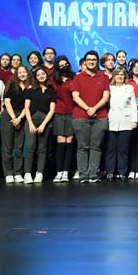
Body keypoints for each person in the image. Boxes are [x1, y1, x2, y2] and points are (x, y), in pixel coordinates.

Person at [71, 50, 110, 184]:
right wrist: (88, 108)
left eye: (94, 59)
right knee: (82, 146)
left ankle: (94, 174)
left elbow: (106, 96)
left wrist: (94, 108)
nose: (91, 62)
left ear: (97, 61)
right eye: (89, 59)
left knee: (96, 147)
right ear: (85, 62)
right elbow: (75, 96)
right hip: (81, 116)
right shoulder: (78, 78)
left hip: (100, 117)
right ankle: (83, 174)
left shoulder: (103, 77)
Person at [23, 65, 56, 184]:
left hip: (45, 121)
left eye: (43, 74)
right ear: (35, 77)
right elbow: (26, 108)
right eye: (38, 75)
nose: (41, 76)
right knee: (30, 147)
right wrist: (31, 123)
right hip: (31, 120)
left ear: (46, 75)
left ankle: (39, 173)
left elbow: (52, 110)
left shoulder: (51, 91)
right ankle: (27, 174)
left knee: (43, 148)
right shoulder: (30, 90)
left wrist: (43, 125)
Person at [105, 67, 137, 181]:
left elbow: (133, 105)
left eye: (122, 74)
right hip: (111, 121)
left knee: (123, 149)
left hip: (126, 121)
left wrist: (134, 120)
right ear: (113, 76)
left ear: (125, 77)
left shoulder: (129, 88)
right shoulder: (109, 88)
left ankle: (122, 172)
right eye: (117, 74)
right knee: (111, 149)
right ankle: (110, 172)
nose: (120, 76)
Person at [2, 65, 31, 183]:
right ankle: (8, 173)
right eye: (20, 72)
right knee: (7, 147)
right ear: (16, 74)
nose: (22, 74)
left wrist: (20, 118)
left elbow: (27, 105)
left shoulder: (30, 87)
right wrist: (14, 118)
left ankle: (18, 173)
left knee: (19, 147)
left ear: (27, 73)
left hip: (22, 116)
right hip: (9, 115)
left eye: (24, 72)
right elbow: (7, 102)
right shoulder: (11, 85)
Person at [51, 55, 76, 183]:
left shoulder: (74, 78)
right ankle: (59, 171)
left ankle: (66, 172)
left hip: (72, 113)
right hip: (59, 113)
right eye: (61, 65)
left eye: (65, 64)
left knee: (69, 142)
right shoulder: (53, 80)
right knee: (61, 142)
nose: (64, 67)